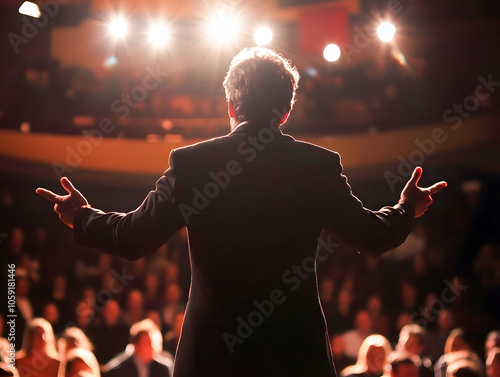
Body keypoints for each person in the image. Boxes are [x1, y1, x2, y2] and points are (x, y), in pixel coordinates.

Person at [36, 46, 447, 377]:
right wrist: (406, 208)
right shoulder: (316, 166)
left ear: (230, 104)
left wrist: (82, 216)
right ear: (286, 112)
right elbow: (373, 237)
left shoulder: (192, 164)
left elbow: (132, 238)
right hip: (295, 356)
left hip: (212, 359)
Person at [103, 319, 172, 377]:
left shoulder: (163, 368)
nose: (152, 347)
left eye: (153, 343)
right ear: (135, 345)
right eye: (147, 343)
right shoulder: (119, 369)